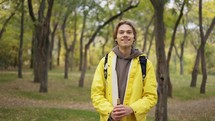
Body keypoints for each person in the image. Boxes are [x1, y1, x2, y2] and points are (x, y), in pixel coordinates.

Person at [91, 20, 157, 121]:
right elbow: (96, 94)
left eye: (129, 32)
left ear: (134, 37)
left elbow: (151, 96)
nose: (125, 35)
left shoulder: (145, 64)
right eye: (121, 32)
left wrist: (132, 109)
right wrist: (110, 111)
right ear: (116, 38)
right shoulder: (104, 62)